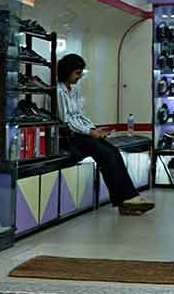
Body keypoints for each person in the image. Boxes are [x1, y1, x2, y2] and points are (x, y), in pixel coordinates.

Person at [56, 53, 154, 216]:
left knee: (114, 152)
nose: (79, 77)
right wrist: (90, 132)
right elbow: (66, 120)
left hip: (83, 133)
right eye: (77, 73)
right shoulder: (58, 92)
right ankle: (125, 200)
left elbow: (80, 115)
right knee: (106, 154)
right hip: (70, 136)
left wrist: (94, 128)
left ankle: (128, 199)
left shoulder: (73, 90)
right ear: (68, 71)